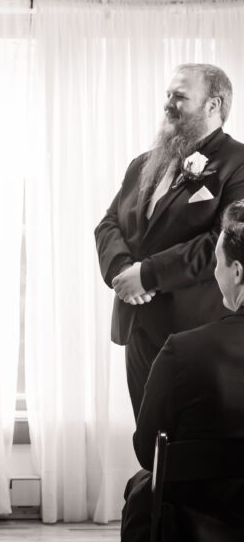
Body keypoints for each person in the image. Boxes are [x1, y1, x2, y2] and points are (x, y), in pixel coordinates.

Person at [96, 64, 244, 418]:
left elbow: (222, 242)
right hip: (138, 327)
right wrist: (124, 274)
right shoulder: (143, 164)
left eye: (180, 96)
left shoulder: (238, 164)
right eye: (168, 95)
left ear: (213, 105)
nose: (168, 104)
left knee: (191, 445)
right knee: (148, 444)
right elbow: (108, 223)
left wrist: (148, 275)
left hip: (195, 332)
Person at [121, 200, 244, 541]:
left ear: (237, 272)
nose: (215, 273)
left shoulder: (182, 351)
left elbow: (148, 451)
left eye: (218, 263)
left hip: (200, 526)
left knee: (142, 488)